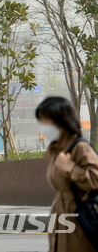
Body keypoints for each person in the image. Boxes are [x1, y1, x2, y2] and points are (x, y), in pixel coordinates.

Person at [36, 96, 98, 252]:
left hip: (79, 219)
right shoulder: (56, 150)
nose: (43, 128)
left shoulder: (80, 147)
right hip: (60, 215)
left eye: (45, 122)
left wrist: (70, 167)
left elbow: (95, 179)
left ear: (60, 121)